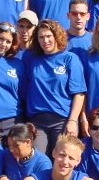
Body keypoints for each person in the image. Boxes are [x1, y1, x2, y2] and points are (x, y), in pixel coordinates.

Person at [25, 19, 86, 157]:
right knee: (39, 160)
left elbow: (79, 93)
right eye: (41, 37)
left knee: (62, 159)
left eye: (48, 36)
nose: (45, 40)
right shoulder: (31, 59)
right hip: (38, 121)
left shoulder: (70, 58)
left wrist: (72, 121)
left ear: (57, 36)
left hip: (62, 120)